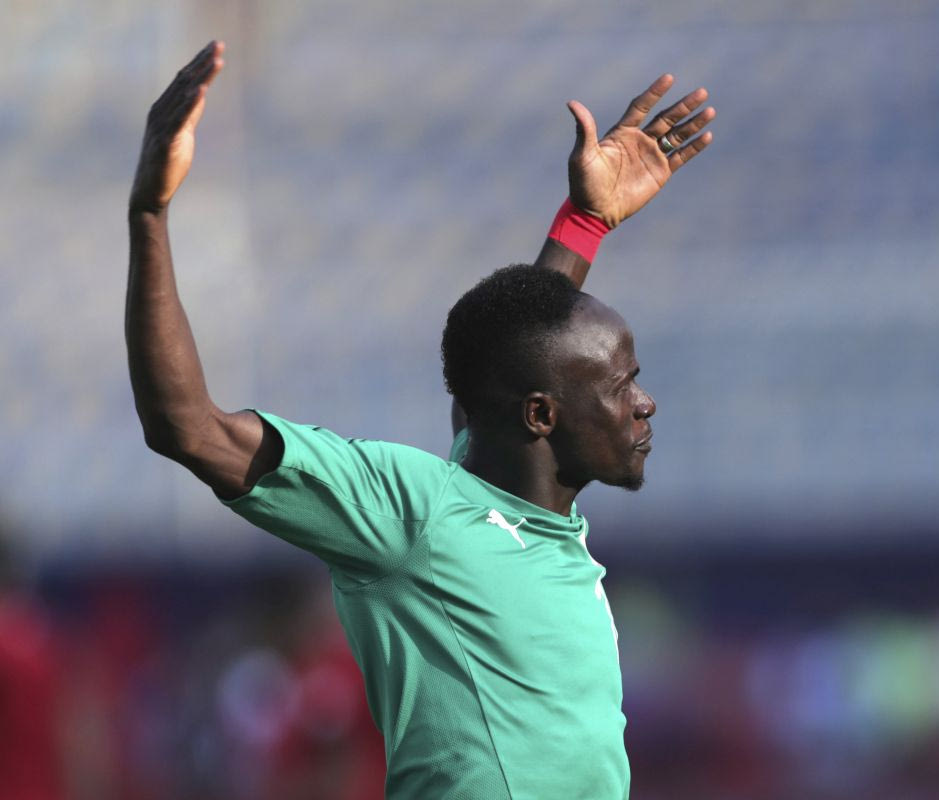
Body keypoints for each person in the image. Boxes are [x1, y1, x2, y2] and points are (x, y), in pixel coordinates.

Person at [126, 40, 714, 799]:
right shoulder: (413, 513)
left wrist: (584, 223)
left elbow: (517, 358)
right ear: (542, 417)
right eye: (624, 384)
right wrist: (150, 214)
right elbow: (187, 426)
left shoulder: (522, 499)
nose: (645, 401)